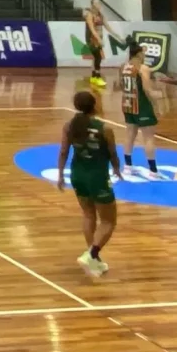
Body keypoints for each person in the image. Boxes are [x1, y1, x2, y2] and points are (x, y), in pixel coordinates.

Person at [56, 88, 120, 276]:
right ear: (94, 105)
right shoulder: (105, 129)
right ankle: (91, 254)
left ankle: (93, 259)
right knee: (109, 221)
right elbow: (113, 153)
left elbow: (63, 152)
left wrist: (60, 174)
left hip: (77, 174)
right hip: (97, 177)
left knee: (88, 215)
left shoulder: (70, 126)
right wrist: (116, 169)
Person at [118, 36, 165, 174]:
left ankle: (127, 166)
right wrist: (158, 100)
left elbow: (121, 85)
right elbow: (147, 90)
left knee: (129, 135)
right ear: (139, 54)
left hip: (127, 104)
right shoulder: (143, 68)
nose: (145, 56)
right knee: (149, 137)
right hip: (141, 105)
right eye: (144, 53)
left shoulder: (123, 66)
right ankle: (153, 171)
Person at [80, 2, 110, 90]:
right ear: (92, 5)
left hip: (98, 38)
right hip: (91, 38)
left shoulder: (101, 15)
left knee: (95, 58)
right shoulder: (89, 15)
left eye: (99, 3)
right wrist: (99, 39)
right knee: (98, 57)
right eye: (97, 3)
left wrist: (116, 35)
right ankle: (97, 77)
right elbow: (92, 29)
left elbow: (107, 26)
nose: (99, 4)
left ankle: (93, 77)